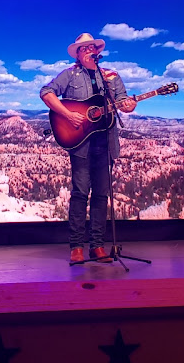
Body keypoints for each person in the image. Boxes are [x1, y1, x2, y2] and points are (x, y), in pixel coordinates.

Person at [40, 33, 136, 263]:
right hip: (81, 143)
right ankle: (76, 247)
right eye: (83, 48)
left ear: (97, 51)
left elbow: (123, 103)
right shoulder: (69, 74)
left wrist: (130, 105)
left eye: (91, 47)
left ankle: (97, 246)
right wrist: (67, 114)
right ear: (78, 53)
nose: (88, 51)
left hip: (105, 141)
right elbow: (46, 92)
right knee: (80, 193)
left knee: (101, 195)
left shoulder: (111, 76)